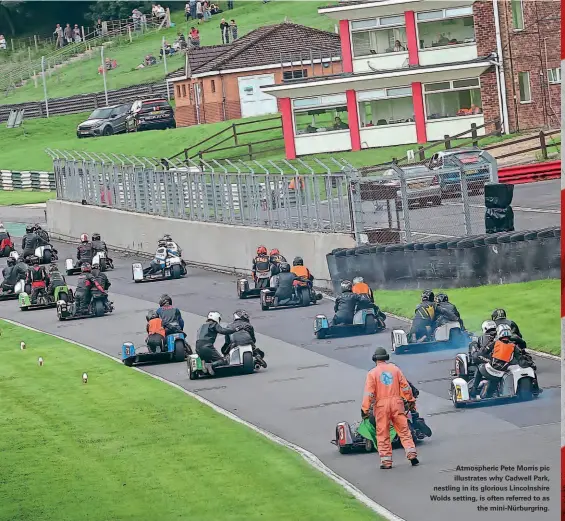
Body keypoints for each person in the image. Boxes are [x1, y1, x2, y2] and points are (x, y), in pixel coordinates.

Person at [361, 347, 419, 469]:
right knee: (404, 431)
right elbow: (405, 387)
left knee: (383, 434)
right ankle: (412, 455)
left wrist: (365, 409)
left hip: (381, 406)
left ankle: (386, 462)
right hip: (397, 403)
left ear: (375, 359)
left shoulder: (372, 373)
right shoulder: (395, 369)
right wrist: (411, 401)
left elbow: (369, 394)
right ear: (386, 358)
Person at [468, 324, 522, 398]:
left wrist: (478, 352)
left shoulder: (495, 342)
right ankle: (490, 392)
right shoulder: (514, 346)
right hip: (502, 373)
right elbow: (520, 359)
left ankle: (473, 390)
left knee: (480, 367)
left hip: (491, 370)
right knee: (491, 387)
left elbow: (483, 352)